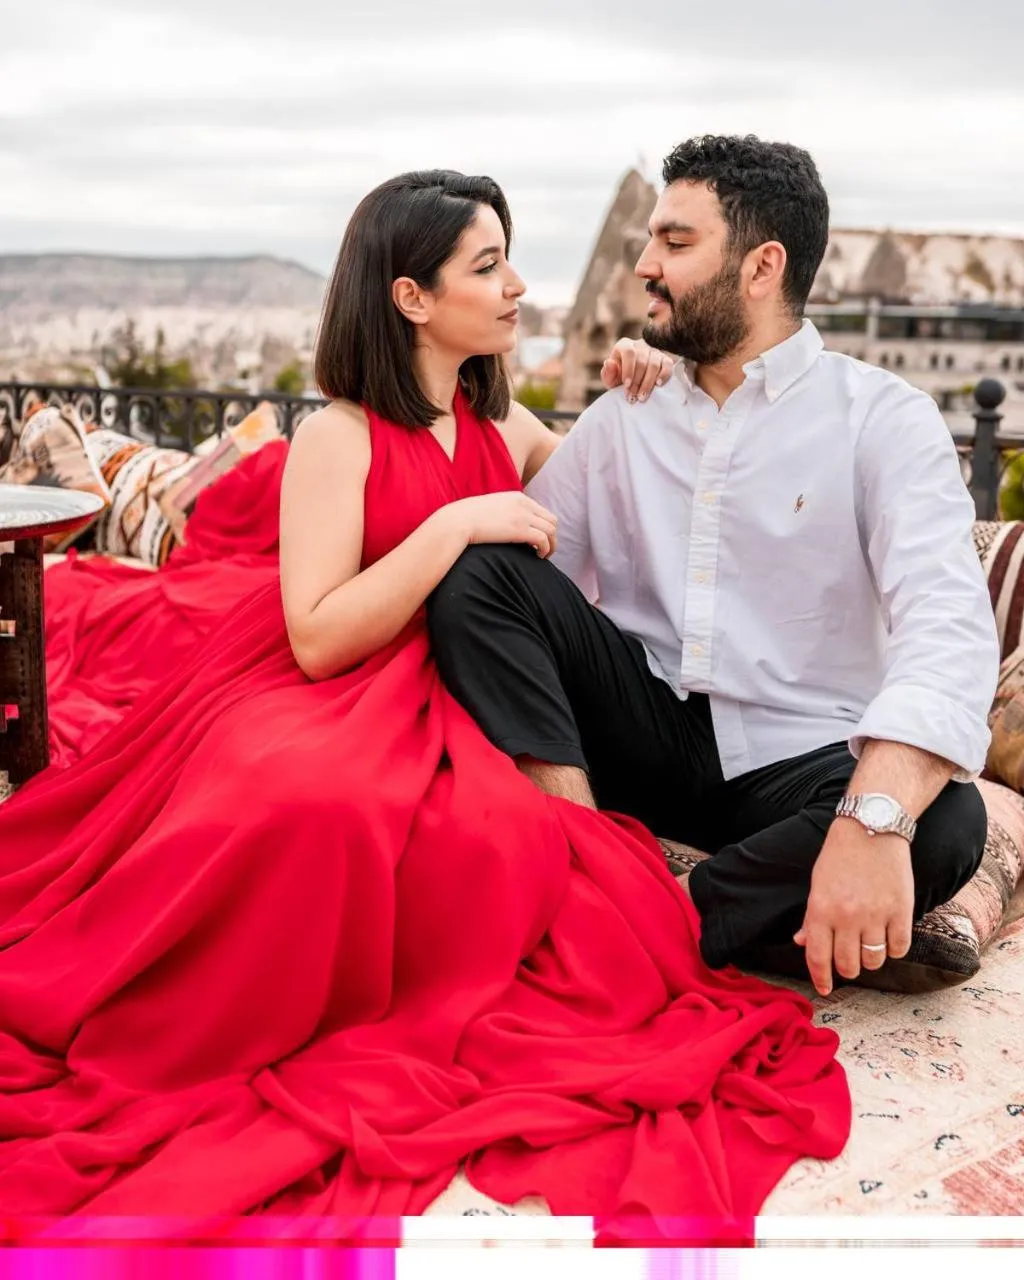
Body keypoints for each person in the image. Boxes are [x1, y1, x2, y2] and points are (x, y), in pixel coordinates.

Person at [0, 168, 849, 1237]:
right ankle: (225, 1010)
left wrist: (652, 374)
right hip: (330, 682)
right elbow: (314, 634)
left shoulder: (510, 423)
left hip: (464, 696)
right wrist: (450, 529)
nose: (515, 289)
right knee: (308, 805)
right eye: (487, 268)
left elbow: (628, 470)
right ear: (410, 297)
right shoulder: (339, 436)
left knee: (505, 843)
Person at [425, 135, 1001, 1000]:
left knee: (947, 820)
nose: (648, 264)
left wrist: (867, 818)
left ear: (762, 266)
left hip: (803, 750)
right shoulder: (628, 412)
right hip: (642, 729)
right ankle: (604, 875)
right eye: (652, 240)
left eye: (677, 243)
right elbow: (527, 580)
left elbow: (948, 630)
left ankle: (660, 920)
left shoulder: (884, 420)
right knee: (480, 569)